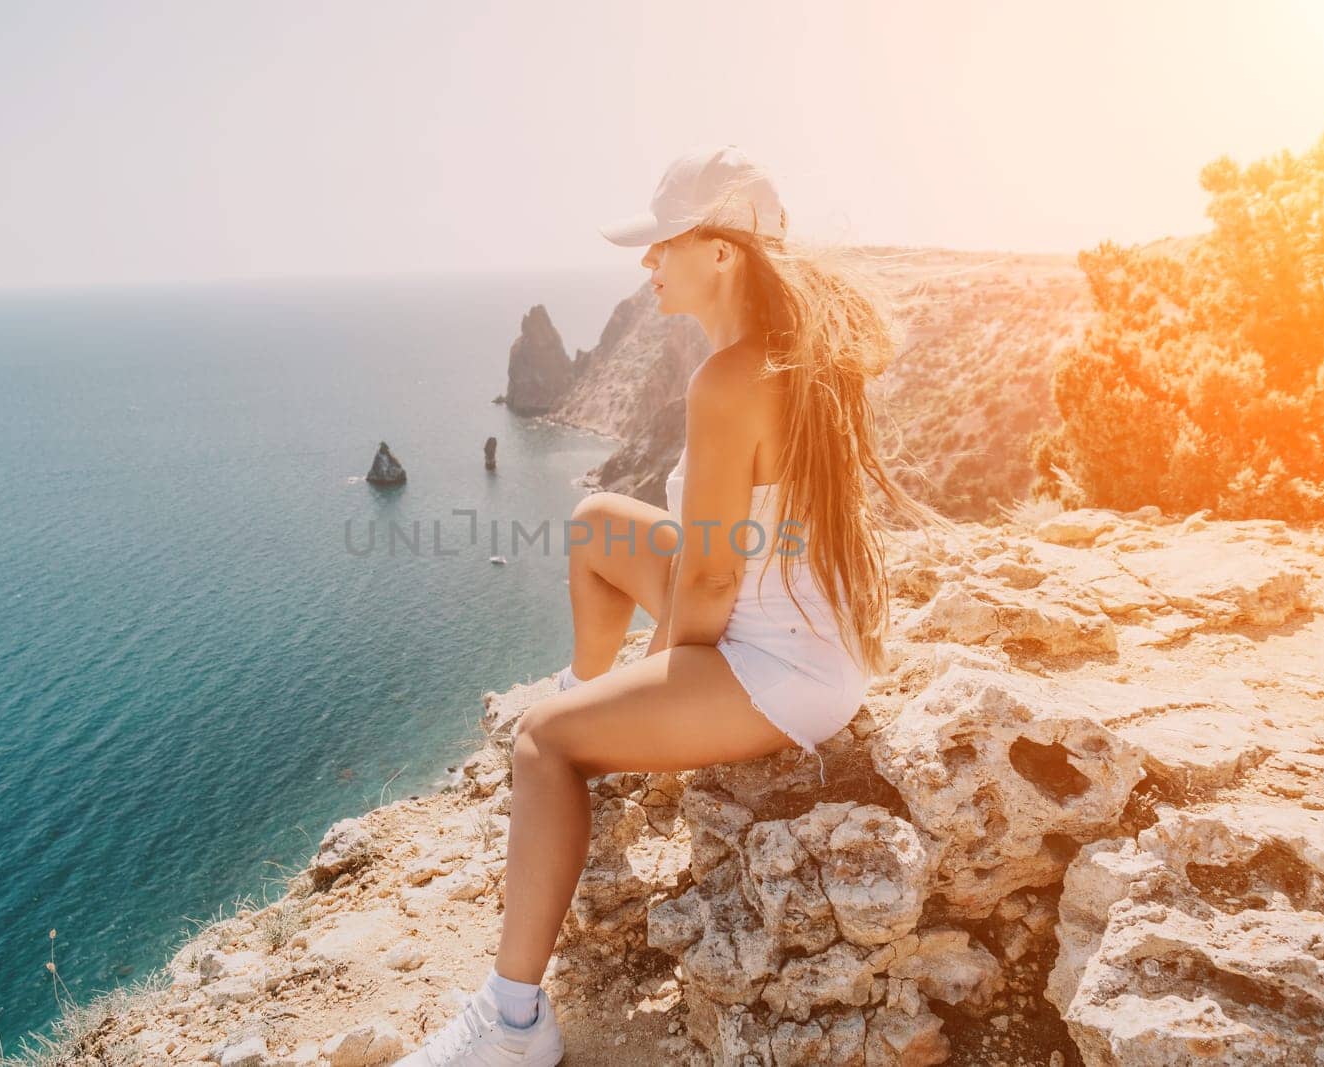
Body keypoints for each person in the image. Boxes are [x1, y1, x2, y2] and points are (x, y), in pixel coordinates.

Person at [393, 143, 957, 1066]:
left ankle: (515, 1022)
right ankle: (596, 728)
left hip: (781, 668)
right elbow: (730, 555)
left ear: (724, 251)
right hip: (791, 624)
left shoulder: (730, 378)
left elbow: (708, 582)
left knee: (541, 738)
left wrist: (656, 672)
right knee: (595, 523)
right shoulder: (792, 351)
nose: (647, 263)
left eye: (663, 245)